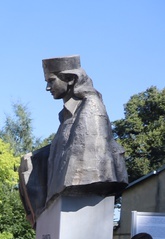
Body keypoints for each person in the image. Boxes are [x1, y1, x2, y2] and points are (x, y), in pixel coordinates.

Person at [19, 55, 127, 226]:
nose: (48, 87)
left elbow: (82, 156)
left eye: (51, 81)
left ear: (70, 79)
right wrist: (33, 160)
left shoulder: (91, 107)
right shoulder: (67, 116)